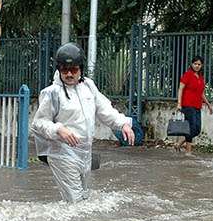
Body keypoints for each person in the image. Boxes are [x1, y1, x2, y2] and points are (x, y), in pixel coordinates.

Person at [31, 43, 135, 203]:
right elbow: (38, 123)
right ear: (59, 70)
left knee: (85, 200)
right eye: (65, 70)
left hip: (85, 152)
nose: (69, 74)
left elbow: (104, 109)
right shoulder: (52, 93)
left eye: (74, 69)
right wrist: (59, 129)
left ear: (81, 69)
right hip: (62, 153)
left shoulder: (88, 86)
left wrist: (123, 124)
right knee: (76, 203)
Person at [175, 56, 213, 154]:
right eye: (195, 64)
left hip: (197, 106)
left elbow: (201, 93)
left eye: (199, 64)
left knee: (197, 130)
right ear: (192, 64)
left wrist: (208, 104)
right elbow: (181, 88)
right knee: (191, 127)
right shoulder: (188, 75)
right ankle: (188, 152)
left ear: (202, 65)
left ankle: (179, 144)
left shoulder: (200, 78)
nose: (197, 66)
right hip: (187, 105)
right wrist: (179, 103)